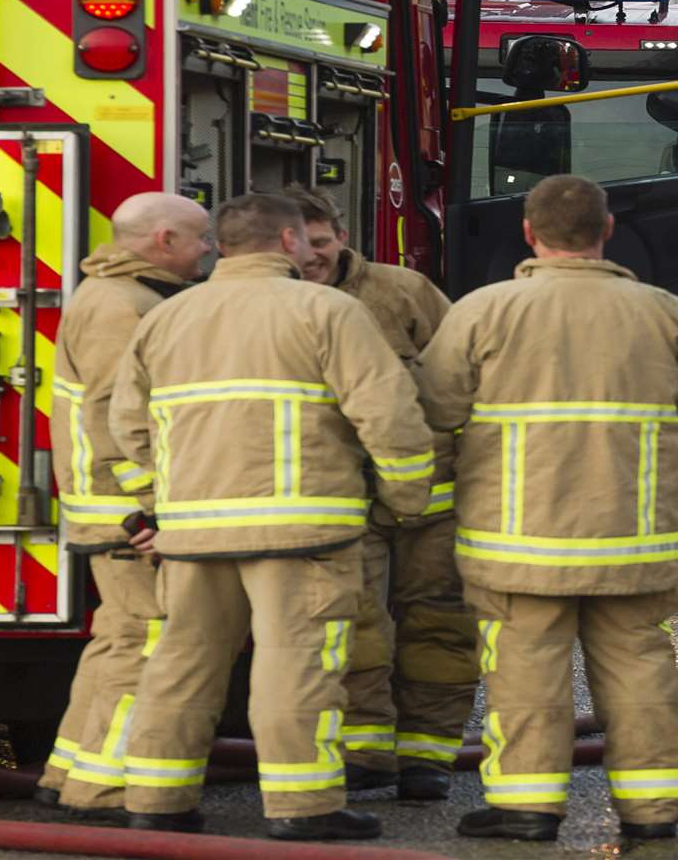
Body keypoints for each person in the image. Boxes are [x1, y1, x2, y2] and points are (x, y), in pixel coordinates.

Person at [106, 193, 437, 840]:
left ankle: (155, 802)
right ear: (289, 241)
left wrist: (158, 506)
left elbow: (126, 426)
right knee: (296, 667)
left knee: (182, 664)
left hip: (193, 534)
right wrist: (405, 499)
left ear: (223, 245)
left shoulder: (168, 318)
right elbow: (390, 417)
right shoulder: (329, 311)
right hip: (303, 535)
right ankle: (304, 809)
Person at [417, 174, 678, 843]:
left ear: (528, 233)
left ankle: (527, 809)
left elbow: (434, 412)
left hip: (516, 542)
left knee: (525, 677)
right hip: (634, 541)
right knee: (641, 673)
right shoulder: (664, 312)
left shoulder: (481, 312)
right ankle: (654, 812)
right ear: (608, 230)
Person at [284, 187, 477, 802]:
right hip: (339, 498)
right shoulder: (272, 303)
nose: (312, 257)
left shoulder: (403, 291)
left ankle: (429, 755)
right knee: (351, 624)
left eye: (321, 242)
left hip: (433, 493)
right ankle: (365, 749)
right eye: (299, 245)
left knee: (440, 622)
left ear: (341, 235)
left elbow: (462, 375)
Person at [41, 192, 211, 814]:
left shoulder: (117, 295)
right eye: (201, 237)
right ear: (164, 240)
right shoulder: (123, 306)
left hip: (103, 506)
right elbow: (122, 417)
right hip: (123, 511)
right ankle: (104, 785)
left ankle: (69, 770)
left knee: (117, 637)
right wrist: (151, 507)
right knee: (146, 641)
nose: (210, 249)